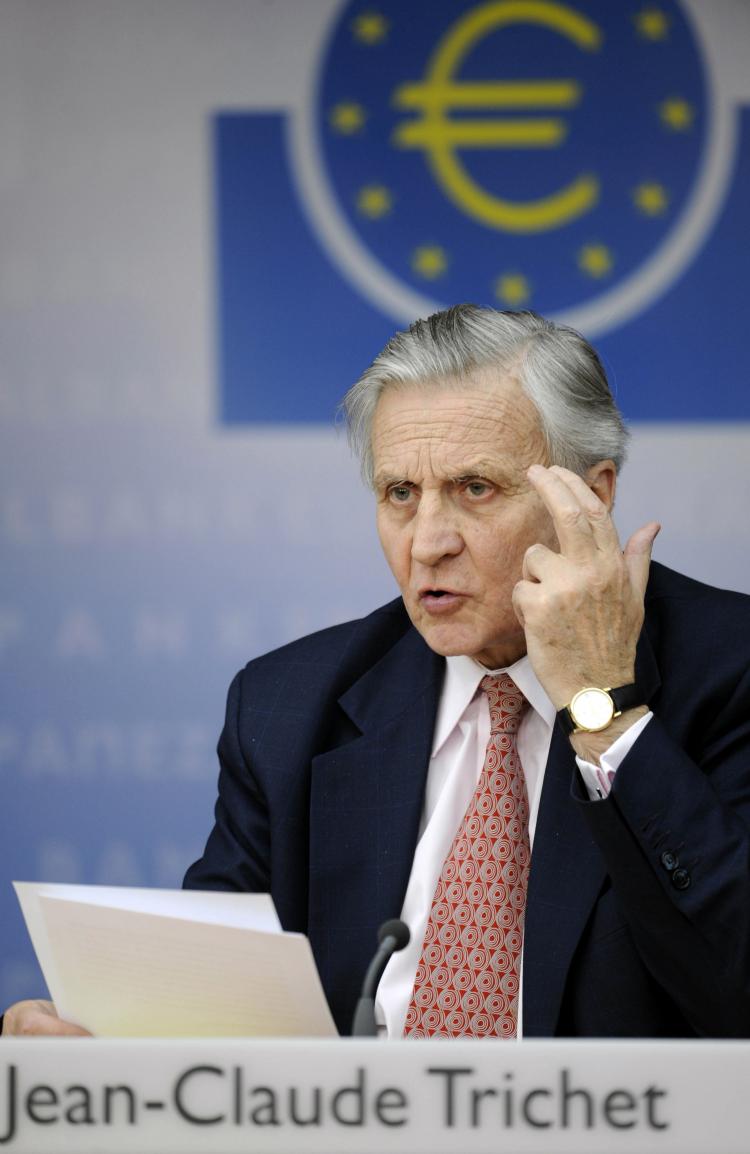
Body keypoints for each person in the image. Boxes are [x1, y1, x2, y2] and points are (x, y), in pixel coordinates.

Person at [4, 305, 750, 1039]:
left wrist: (605, 712)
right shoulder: (290, 707)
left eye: (475, 488)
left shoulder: (729, 669)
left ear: (592, 496)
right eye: (400, 494)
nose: (427, 543)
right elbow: (209, 1009)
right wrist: (99, 1045)